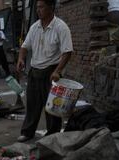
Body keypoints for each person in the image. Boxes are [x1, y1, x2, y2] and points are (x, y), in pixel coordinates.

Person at [16, 0, 73, 142]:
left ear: (51, 8)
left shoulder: (61, 27)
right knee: (32, 104)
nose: (38, 10)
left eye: (41, 7)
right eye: (37, 8)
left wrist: (58, 71)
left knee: (52, 106)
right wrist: (21, 59)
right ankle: (27, 132)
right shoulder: (34, 27)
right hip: (35, 70)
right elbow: (25, 46)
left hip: (51, 71)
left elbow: (67, 52)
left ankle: (52, 135)